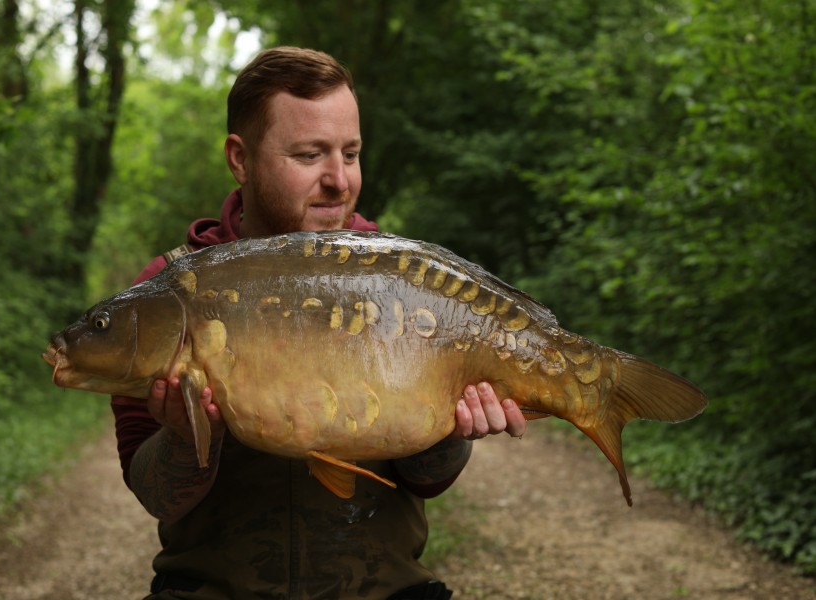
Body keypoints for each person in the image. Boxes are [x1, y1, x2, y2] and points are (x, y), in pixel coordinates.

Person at [111, 46, 527, 600]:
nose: (338, 179)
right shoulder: (167, 293)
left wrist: (453, 431)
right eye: (310, 155)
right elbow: (155, 497)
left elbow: (425, 479)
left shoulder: (408, 282)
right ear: (241, 158)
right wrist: (185, 440)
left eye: (350, 153)